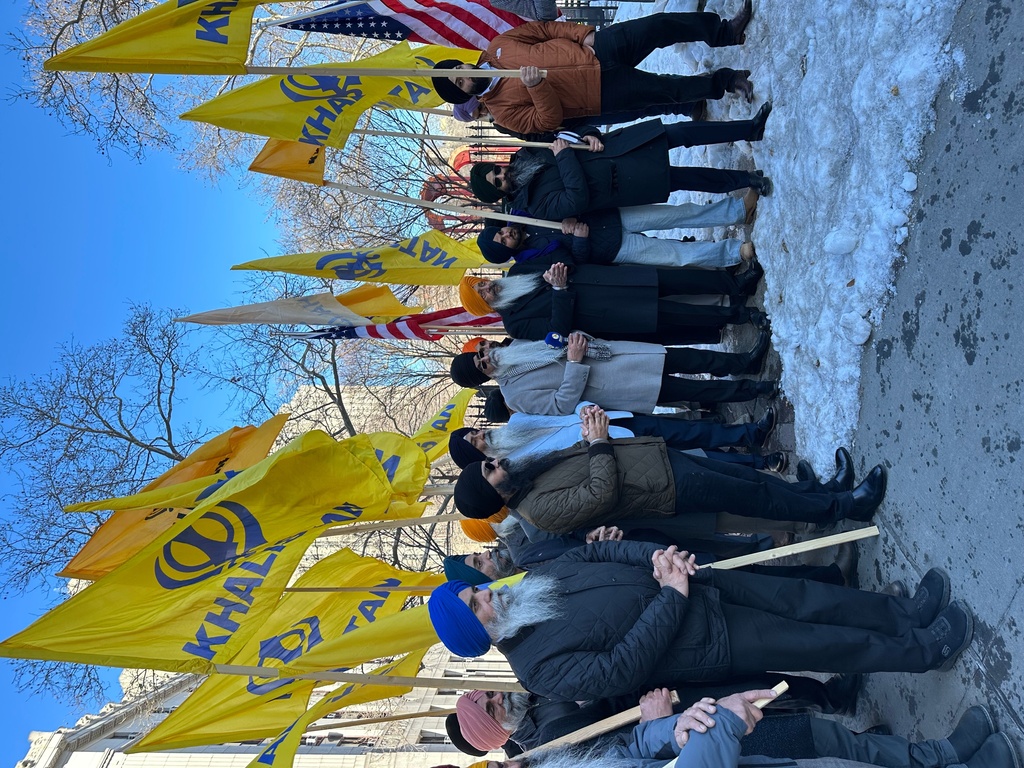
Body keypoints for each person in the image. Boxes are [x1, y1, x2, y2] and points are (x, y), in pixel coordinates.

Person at [426, 541, 975, 702]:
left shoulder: (531, 580)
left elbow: (596, 557)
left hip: (700, 586)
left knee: (808, 597)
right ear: (480, 633)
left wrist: (659, 560)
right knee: (821, 644)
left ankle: (906, 612)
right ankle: (924, 652)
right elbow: (622, 668)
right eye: (475, 605)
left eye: (473, 589)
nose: (484, 593)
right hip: (705, 639)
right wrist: (669, 595)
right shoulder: (537, 670)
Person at [451, 407, 887, 534]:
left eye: (488, 462)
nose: (497, 462)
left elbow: (582, 466)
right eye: (490, 470)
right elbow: (600, 493)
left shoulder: (526, 479)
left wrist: (589, 435)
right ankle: (845, 507)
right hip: (663, 486)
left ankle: (829, 492)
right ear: (496, 494)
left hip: (657, 462)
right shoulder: (538, 511)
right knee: (760, 498)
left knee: (755, 481)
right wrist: (600, 442)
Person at [429, 7, 758, 136]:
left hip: (597, 48)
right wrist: (535, 87)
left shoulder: (499, 45)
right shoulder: (502, 113)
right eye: (460, 82)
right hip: (599, 93)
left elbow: (543, 30)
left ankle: (724, 32)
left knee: (658, 26)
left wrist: (582, 34)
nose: (465, 74)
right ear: (463, 93)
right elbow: (548, 121)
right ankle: (727, 81)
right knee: (667, 91)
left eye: (458, 68)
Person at [457, 694, 1012, 768]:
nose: (497, 698)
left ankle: (940, 756)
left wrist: (666, 733)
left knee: (840, 745)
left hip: (718, 737)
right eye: (488, 709)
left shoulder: (539, 758)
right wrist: (715, 729)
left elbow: (626, 749)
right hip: (721, 744)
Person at [466, 120, 771, 221]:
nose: (503, 176)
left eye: (497, 171)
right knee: (687, 177)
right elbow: (576, 201)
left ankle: (749, 128)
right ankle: (747, 179)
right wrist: (565, 158)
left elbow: (565, 132)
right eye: (498, 182)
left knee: (681, 132)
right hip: (620, 183)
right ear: (500, 193)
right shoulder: (535, 206)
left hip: (617, 148)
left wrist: (589, 134)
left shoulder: (525, 153)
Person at [458, 259, 767, 345]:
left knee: (679, 279)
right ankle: (740, 315)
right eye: (483, 294)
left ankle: (736, 283)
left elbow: (560, 257)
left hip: (605, 280)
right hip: (607, 313)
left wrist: (560, 268)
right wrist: (560, 291)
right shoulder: (515, 326)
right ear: (488, 307)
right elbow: (556, 332)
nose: (488, 288)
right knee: (679, 313)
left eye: (482, 283)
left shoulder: (517, 271)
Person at [449, 334, 780, 414]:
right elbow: (561, 405)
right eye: (481, 365)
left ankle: (744, 362)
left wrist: (571, 340)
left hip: (613, 355)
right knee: (695, 390)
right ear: (485, 378)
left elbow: (556, 344)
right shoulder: (514, 397)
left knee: (688, 358)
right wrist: (576, 362)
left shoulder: (515, 344)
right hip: (615, 384)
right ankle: (754, 390)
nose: (485, 356)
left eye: (479, 352)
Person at [447, 403, 782, 470]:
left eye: (474, 432)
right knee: (700, 459)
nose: (481, 436)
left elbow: (561, 412)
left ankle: (751, 432)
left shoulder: (517, 421)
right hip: (620, 450)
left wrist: (585, 409)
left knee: (690, 430)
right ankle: (760, 462)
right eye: (475, 443)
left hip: (617, 420)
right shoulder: (516, 465)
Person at [476, 190, 759, 269]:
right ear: (505, 252)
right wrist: (581, 240)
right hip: (611, 248)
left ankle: (737, 211)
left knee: (679, 213)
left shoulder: (527, 215)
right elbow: (573, 263)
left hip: (612, 218)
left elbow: (562, 199)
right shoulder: (530, 260)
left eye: (500, 232)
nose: (506, 235)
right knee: (677, 255)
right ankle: (734, 253)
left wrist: (571, 215)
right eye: (502, 241)